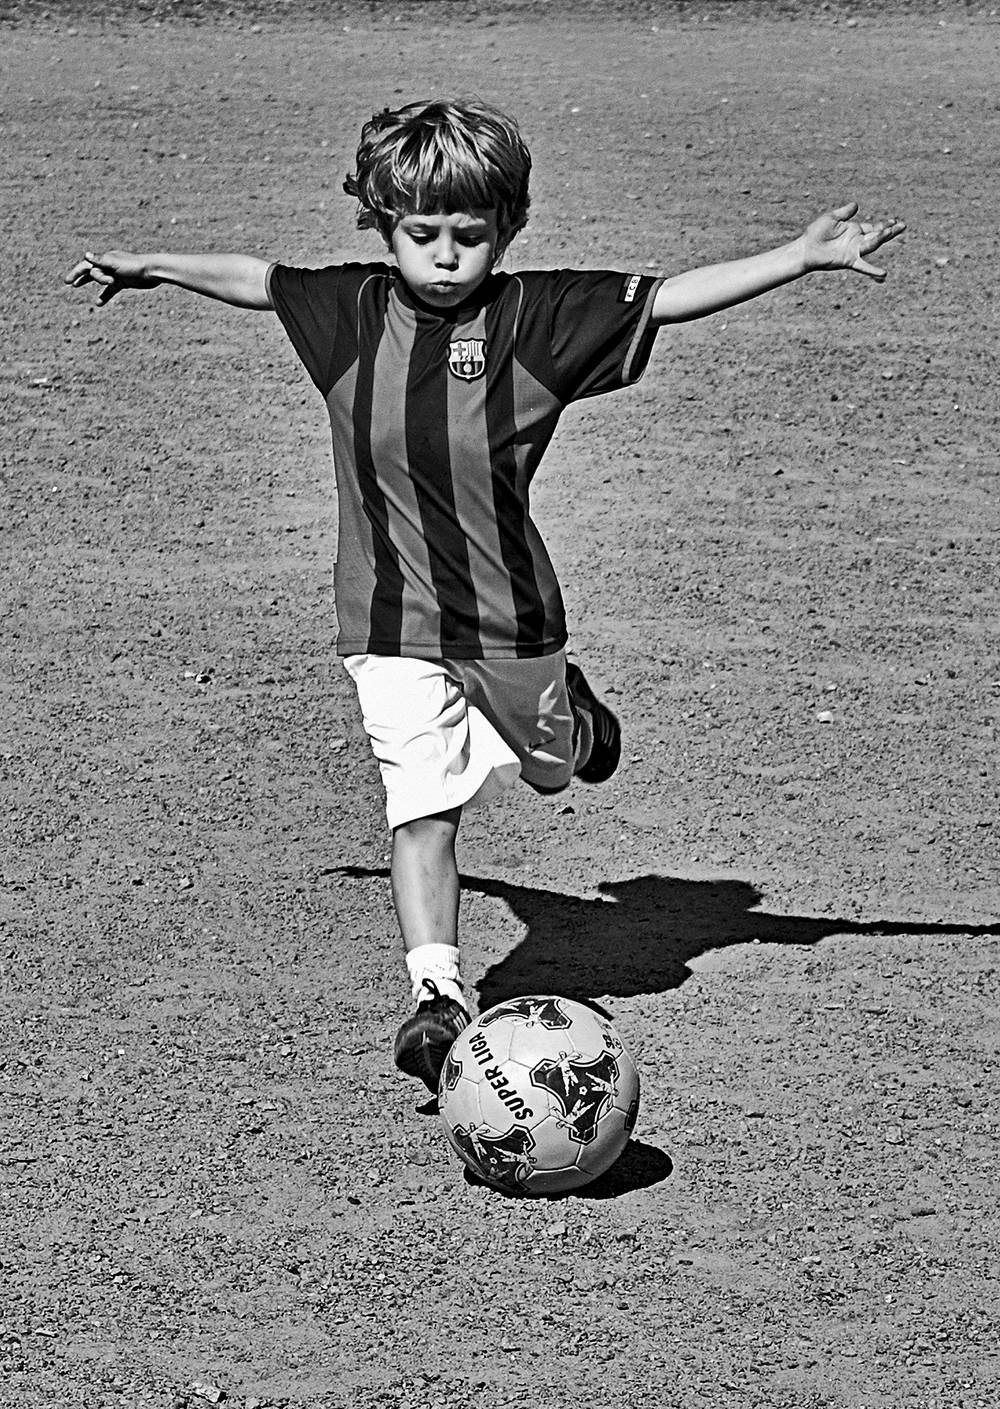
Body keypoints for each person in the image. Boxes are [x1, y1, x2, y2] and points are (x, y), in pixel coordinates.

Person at [64, 98, 904, 1093]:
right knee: (421, 805)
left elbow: (669, 298)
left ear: (508, 228)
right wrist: (151, 266)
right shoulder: (347, 313)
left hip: (512, 624)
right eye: (422, 233)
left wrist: (797, 258)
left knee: (551, 772)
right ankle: (437, 998)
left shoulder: (537, 320)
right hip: (387, 622)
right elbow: (260, 281)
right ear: (382, 224)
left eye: (470, 233)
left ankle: (577, 724)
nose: (446, 254)